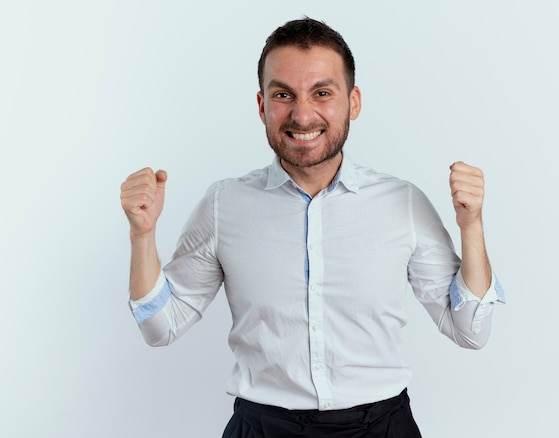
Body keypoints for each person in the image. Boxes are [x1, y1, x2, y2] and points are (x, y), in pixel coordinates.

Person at [120, 17, 505, 437]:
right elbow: (161, 328)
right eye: (283, 94)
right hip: (263, 427)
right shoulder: (222, 205)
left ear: (353, 102)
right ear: (262, 105)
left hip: (382, 427)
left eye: (322, 92)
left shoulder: (403, 203)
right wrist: (142, 236)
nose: (302, 115)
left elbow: (470, 331)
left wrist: (472, 226)